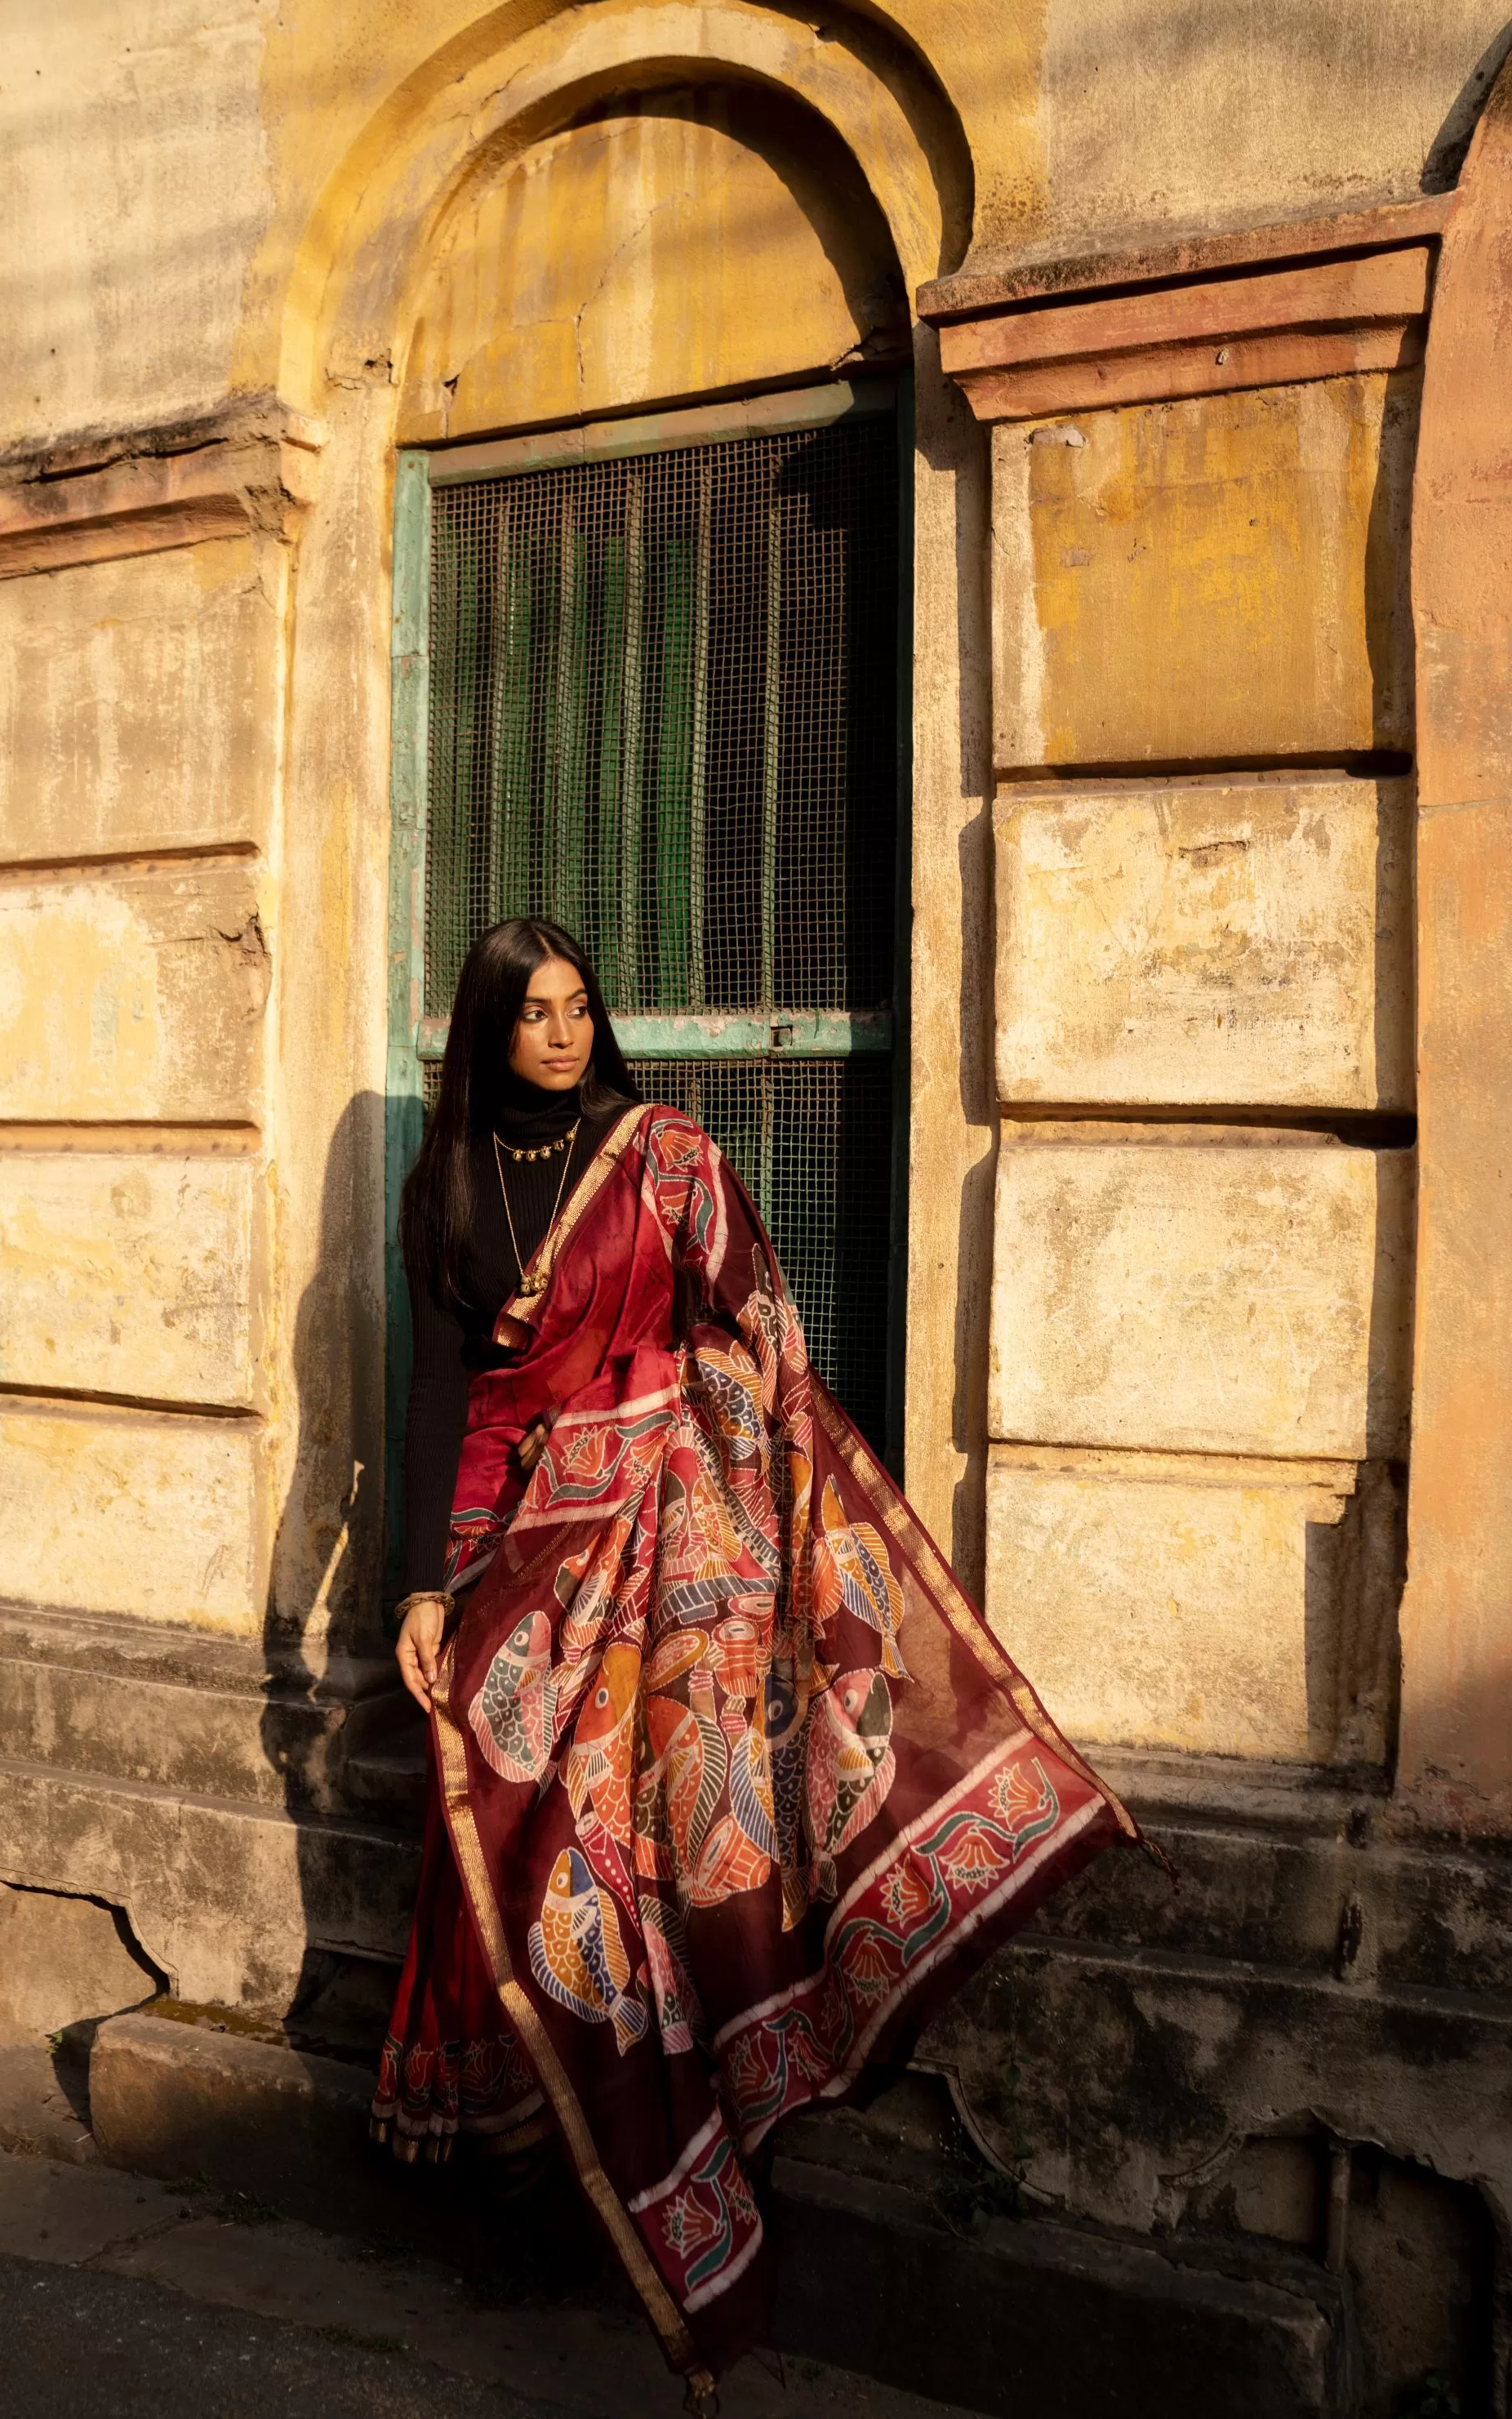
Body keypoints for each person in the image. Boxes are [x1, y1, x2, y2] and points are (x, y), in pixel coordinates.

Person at [372, 915, 1153, 2411]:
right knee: (479, 1749)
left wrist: (690, 1423)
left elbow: (762, 1326)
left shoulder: (663, 1152)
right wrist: (424, 1587)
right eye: (531, 1011)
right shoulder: (450, 1187)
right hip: (506, 1523)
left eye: (579, 1007)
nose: (561, 1032)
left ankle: (640, 2096)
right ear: (484, 1028)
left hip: (670, 1516)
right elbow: (440, 1394)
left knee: (631, 1787)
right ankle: (524, 2102)